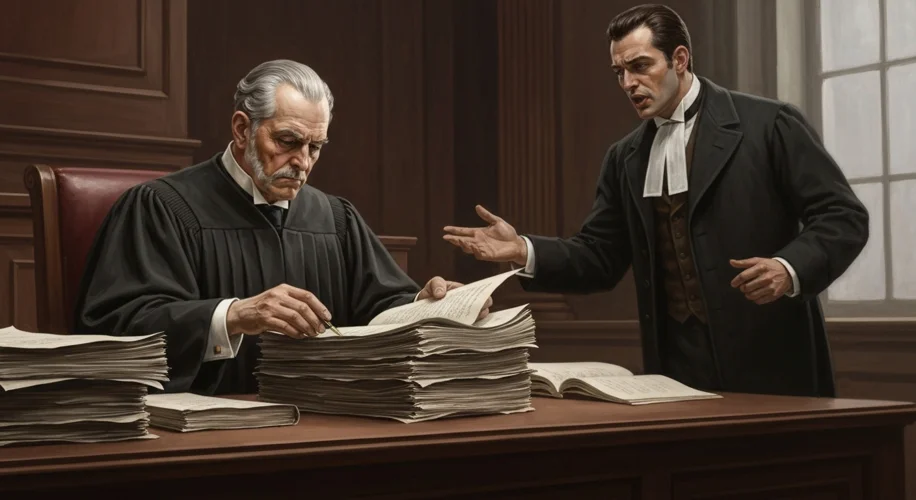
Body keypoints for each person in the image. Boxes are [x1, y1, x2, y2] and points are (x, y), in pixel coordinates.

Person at [443, 4, 868, 397]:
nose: (629, 83)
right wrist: (523, 249)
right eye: (619, 72)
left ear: (679, 59)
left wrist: (788, 267)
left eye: (640, 66)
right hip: (676, 368)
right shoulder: (624, 157)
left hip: (772, 360)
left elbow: (843, 217)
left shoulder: (769, 124)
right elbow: (600, 257)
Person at [74, 59, 490, 395]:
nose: (303, 162)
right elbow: (117, 327)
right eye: (288, 141)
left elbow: (379, 307)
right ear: (242, 129)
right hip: (202, 435)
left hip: (324, 421)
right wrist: (233, 315)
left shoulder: (335, 219)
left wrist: (431, 302)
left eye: (315, 147)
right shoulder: (162, 207)